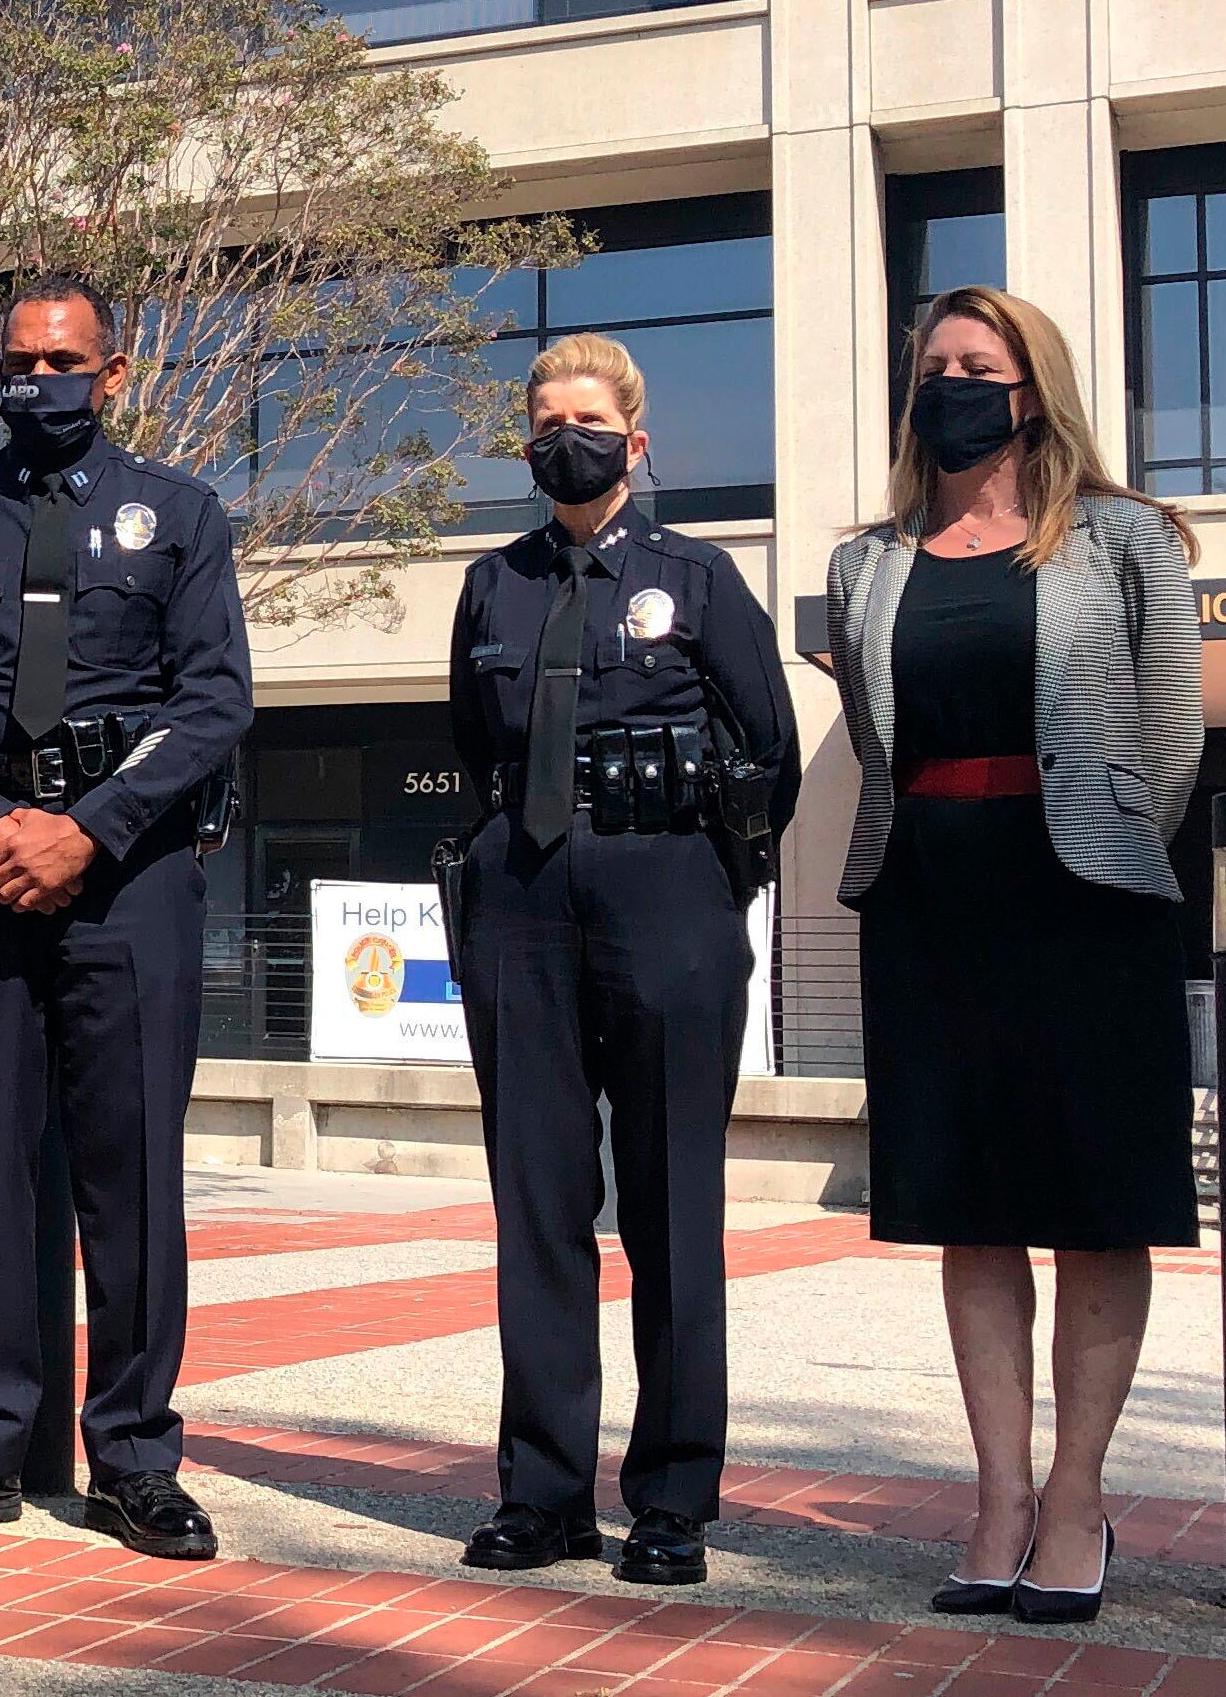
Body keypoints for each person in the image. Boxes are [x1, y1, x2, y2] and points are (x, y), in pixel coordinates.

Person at [0, 273, 253, 1563]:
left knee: (129, 1170)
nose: (40, 380)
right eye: (18, 364)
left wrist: (90, 827)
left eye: (63, 359)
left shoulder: (181, 514)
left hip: (128, 872)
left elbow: (213, 703)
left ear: (115, 369)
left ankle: (133, 1455)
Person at [827, 285, 1200, 1627]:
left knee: (1097, 1206)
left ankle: (1074, 1500)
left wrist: (1095, 846)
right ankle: (993, 1499)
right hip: (931, 895)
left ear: (1030, 387)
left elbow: (1168, 737)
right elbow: (879, 744)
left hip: (1086, 900)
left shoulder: (1124, 538)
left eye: (976, 365)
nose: (950, 385)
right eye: (931, 366)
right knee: (968, 1205)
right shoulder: (866, 560)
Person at [441, 334, 797, 1589]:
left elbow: (772, 753)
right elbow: (475, 746)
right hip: (524, 903)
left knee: (668, 1206)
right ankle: (542, 1493)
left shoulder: (698, 579)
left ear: (635, 443)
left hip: (668, 898)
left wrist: (712, 892)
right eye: (545, 419)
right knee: (537, 1207)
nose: (563, 436)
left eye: (586, 418)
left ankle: (672, 1496)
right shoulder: (491, 584)